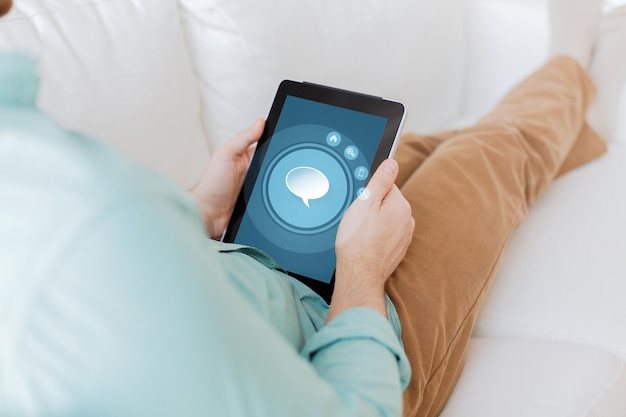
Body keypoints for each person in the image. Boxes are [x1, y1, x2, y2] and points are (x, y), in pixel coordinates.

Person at [1, 0, 624, 416]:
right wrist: (361, 272)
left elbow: (128, 293)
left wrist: (194, 212)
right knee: (490, 156)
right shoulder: (84, 212)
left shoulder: (46, 177)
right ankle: (575, 67)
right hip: (355, 339)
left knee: (408, 151)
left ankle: (567, 126)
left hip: (252, 259)